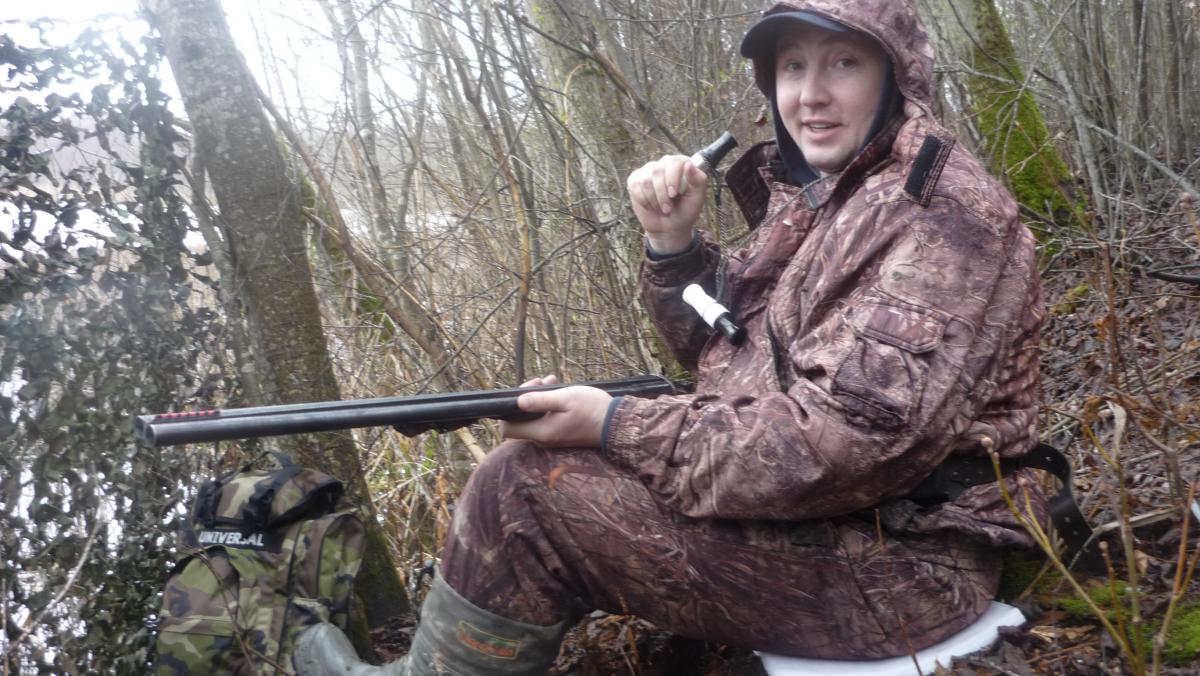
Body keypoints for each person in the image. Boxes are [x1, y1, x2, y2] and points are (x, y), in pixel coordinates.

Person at [295, 0, 1050, 673]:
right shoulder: (835, 194)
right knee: (542, 454)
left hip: (907, 571)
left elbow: (845, 447)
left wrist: (616, 424)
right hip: (835, 525)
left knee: (521, 490)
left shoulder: (942, 218)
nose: (809, 94)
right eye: (792, 67)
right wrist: (672, 244)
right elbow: (727, 347)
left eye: (843, 64)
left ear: (897, 75)